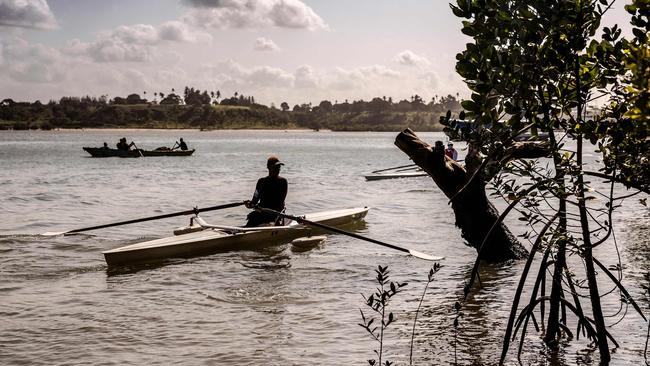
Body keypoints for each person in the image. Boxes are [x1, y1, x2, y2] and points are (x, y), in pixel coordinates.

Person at [244, 156, 288, 227]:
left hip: (276, 214)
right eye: (275, 167)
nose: (278, 169)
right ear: (268, 168)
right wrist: (249, 204)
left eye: (279, 167)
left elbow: (279, 203)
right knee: (252, 218)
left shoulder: (282, 182)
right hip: (262, 212)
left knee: (257, 217)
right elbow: (254, 201)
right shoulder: (261, 182)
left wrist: (259, 207)